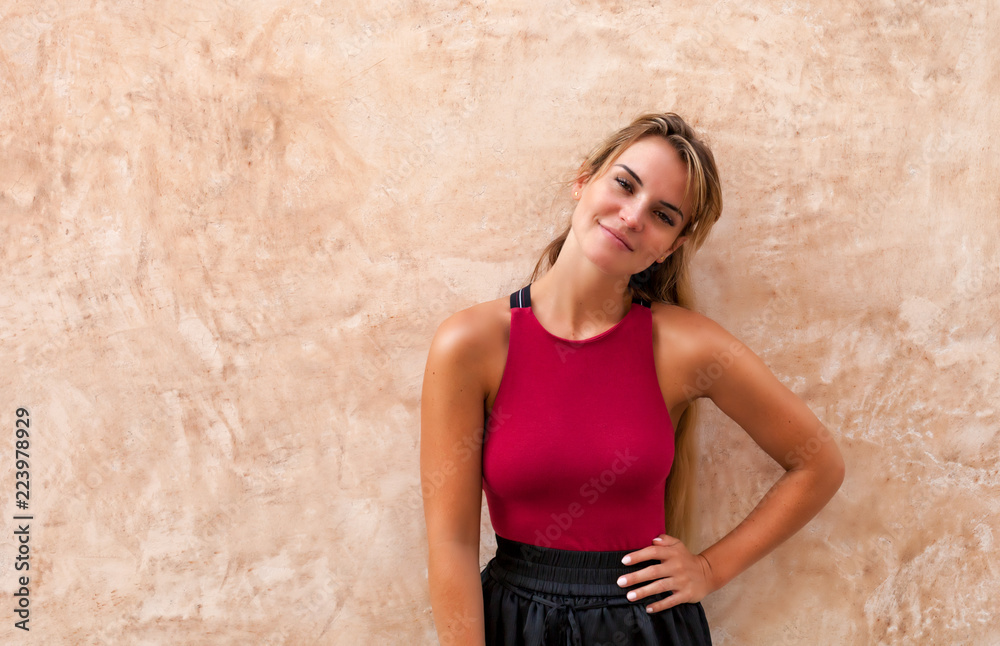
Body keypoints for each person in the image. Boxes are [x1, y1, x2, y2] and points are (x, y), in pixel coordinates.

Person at [420, 112, 845, 645]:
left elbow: (817, 462)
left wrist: (710, 570)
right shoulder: (471, 344)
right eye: (624, 184)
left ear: (670, 244)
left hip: (647, 628)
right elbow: (451, 543)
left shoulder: (687, 347)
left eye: (664, 215)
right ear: (584, 180)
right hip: (513, 626)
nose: (632, 215)